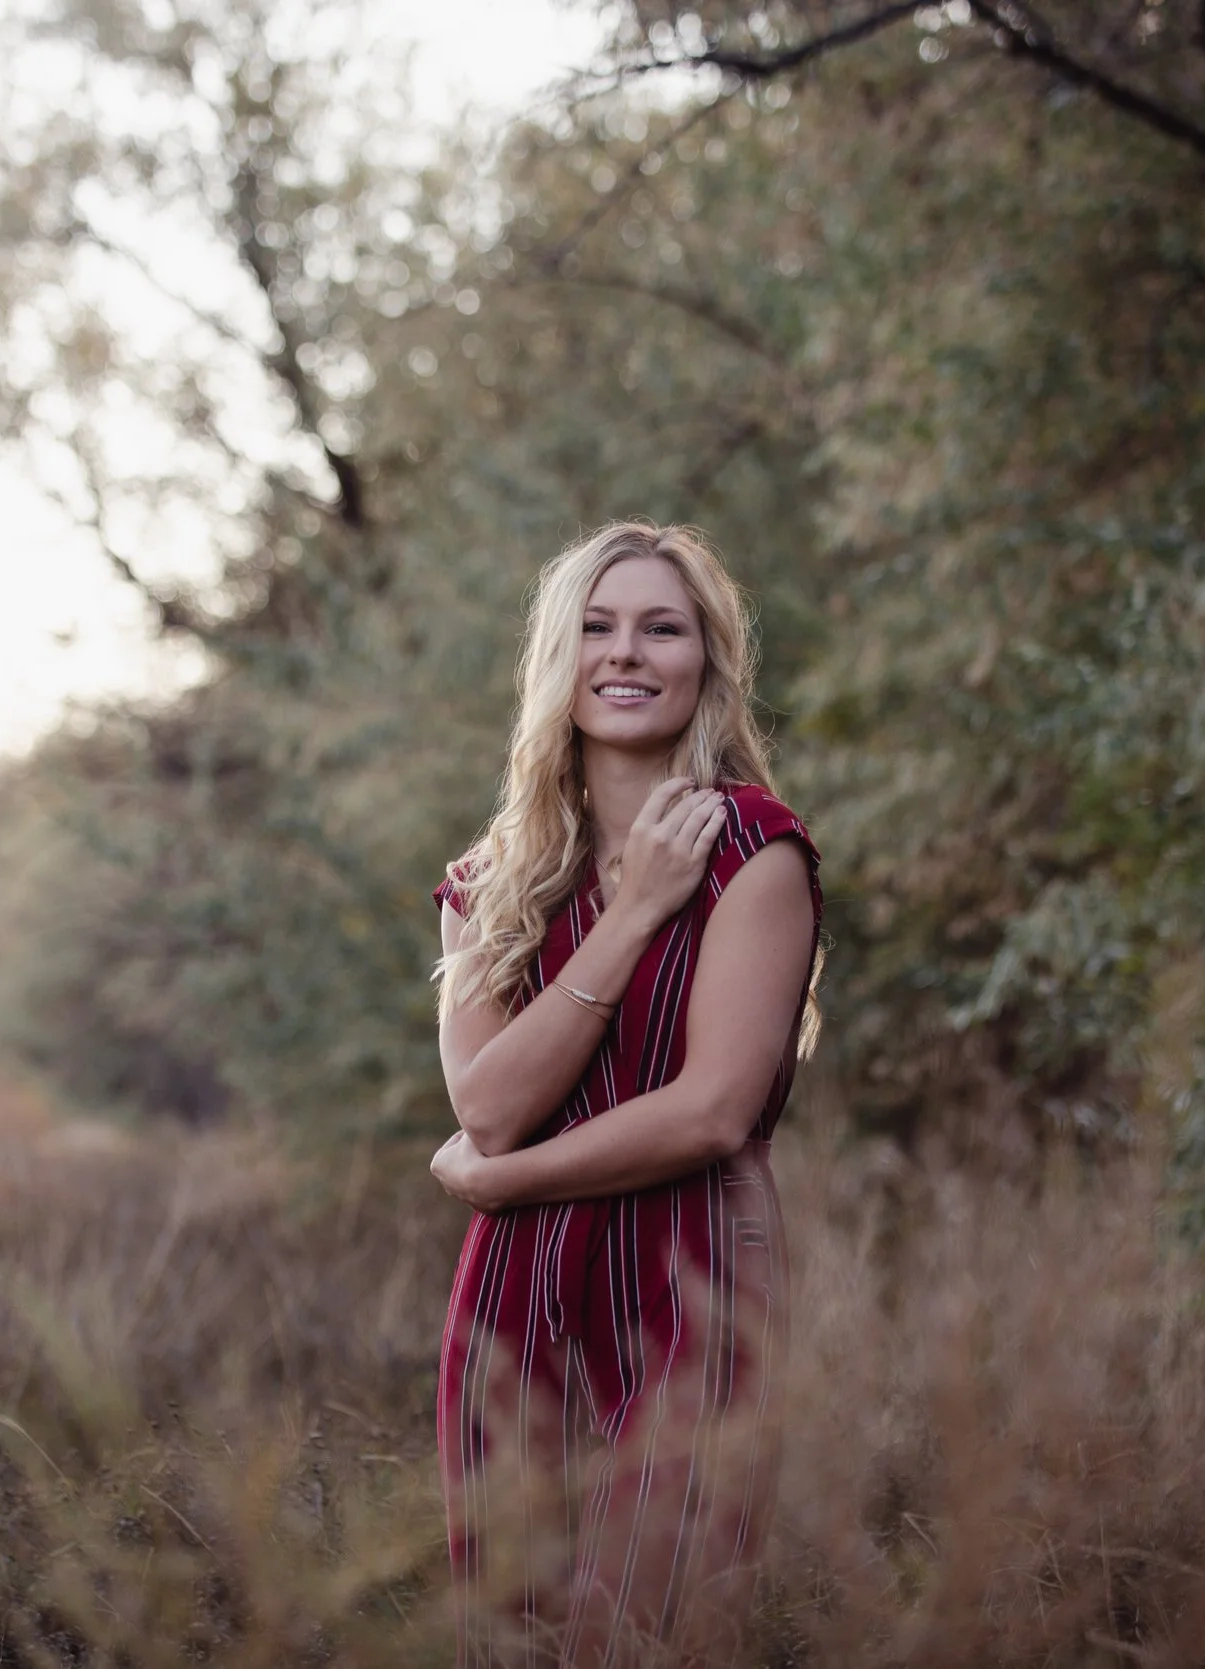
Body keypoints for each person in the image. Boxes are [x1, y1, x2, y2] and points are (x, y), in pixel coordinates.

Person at [427, 520, 823, 1667]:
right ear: (556, 660)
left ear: (708, 657)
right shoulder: (485, 885)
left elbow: (709, 1111)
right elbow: (490, 1102)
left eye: (662, 627)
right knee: (509, 1635)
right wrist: (636, 910)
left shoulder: (756, 848)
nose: (627, 653)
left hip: (692, 1277)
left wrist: (500, 1180)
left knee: (638, 1632)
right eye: (596, 628)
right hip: (512, 1294)